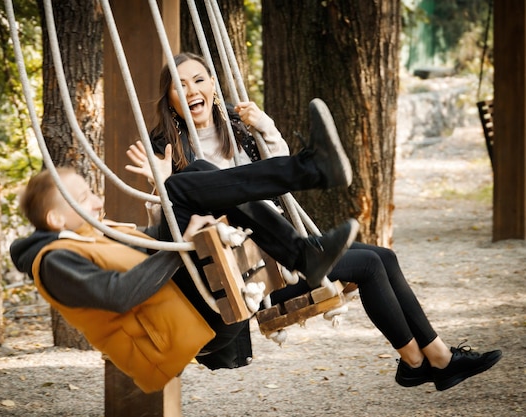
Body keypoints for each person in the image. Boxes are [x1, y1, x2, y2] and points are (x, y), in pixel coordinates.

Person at [123, 52, 503, 391]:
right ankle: (422, 362)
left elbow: (273, 179)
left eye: (199, 80)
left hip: (274, 247)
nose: (192, 89)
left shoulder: (236, 131)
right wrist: (159, 183)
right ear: (170, 98)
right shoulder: (165, 149)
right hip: (246, 274)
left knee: (384, 256)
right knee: (369, 264)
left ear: (213, 88)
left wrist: (265, 126)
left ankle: (430, 359)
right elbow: (166, 228)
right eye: (181, 84)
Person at [10, 136, 360, 393]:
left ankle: (304, 254)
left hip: (183, 308)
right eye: (84, 198)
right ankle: (311, 173)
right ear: (56, 218)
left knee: (196, 173)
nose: (99, 200)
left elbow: (149, 243)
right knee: (179, 190)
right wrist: (182, 247)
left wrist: (179, 220)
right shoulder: (53, 264)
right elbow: (118, 295)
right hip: (179, 334)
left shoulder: (90, 235)